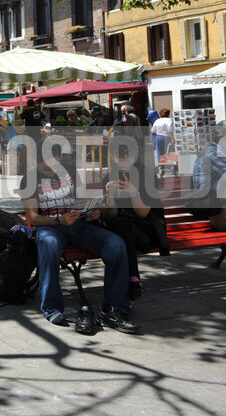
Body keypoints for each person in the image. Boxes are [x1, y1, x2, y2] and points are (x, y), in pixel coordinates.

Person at [20, 149, 139, 334]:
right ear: (36, 162)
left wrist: (91, 212)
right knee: (48, 243)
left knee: (116, 244)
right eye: (46, 165)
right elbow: (34, 219)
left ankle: (114, 308)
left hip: (78, 224)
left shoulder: (70, 173)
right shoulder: (29, 180)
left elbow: (81, 202)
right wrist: (59, 220)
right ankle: (52, 307)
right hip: (50, 226)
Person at [100, 142, 167, 300]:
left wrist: (133, 192)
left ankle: (127, 282)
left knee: (121, 230)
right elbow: (112, 214)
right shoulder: (110, 178)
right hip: (123, 229)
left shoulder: (147, 176)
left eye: (127, 153)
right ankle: (132, 280)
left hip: (147, 228)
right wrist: (110, 196)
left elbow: (143, 213)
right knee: (120, 225)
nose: (124, 157)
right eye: (119, 153)